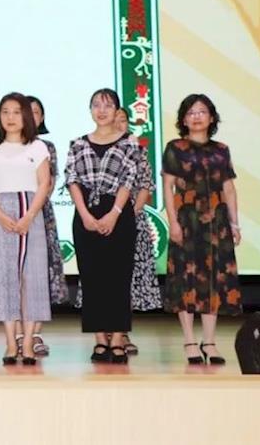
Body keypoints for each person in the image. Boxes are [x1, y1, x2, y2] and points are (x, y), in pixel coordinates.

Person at [162, 94, 242, 365]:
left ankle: (209, 342)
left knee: (213, 280)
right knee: (185, 279)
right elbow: (168, 187)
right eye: (191, 112)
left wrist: (234, 223)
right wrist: (173, 222)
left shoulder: (221, 150)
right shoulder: (175, 148)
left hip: (216, 223)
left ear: (211, 117)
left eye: (202, 112)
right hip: (186, 221)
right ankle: (189, 341)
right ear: (184, 119)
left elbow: (229, 189)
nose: (197, 117)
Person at [64, 88, 141, 365]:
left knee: (119, 277)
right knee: (92, 277)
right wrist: (85, 214)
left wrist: (114, 213)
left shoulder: (129, 143)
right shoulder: (77, 144)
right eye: (96, 105)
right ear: (90, 110)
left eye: (108, 106)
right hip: (86, 213)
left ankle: (118, 338)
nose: (102, 110)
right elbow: (71, 179)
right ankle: (99, 338)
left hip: (119, 213)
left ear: (117, 111)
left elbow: (129, 179)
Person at [0, 92, 52, 366]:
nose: (10, 117)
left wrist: (30, 215)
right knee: (5, 277)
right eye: (5, 112)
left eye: (16, 112)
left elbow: (44, 184)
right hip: (1, 215)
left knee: (32, 278)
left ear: (26, 116)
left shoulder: (37, 147)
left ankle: (29, 342)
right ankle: (11, 342)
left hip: (31, 214)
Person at [22, 95, 69, 357]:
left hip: (40, 214)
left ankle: (35, 333)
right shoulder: (3, 146)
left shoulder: (47, 147)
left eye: (36, 112)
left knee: (40, 274)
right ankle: (19, 335)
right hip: (11, 215)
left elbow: (48, 185)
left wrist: (31, 211)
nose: (31, 117)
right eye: (25, 111)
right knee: (17, 276)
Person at [116, 108, 162, 354]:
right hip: (101, 221)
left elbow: (146, 185)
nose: (118, 124)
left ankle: (122, 332)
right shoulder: (93, 146)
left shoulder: (137, 150)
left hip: (132, 220)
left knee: (129, 280)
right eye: (114, 120)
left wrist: (129, 214)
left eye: (123, 120)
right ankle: (103, 334)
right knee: (104, 279)